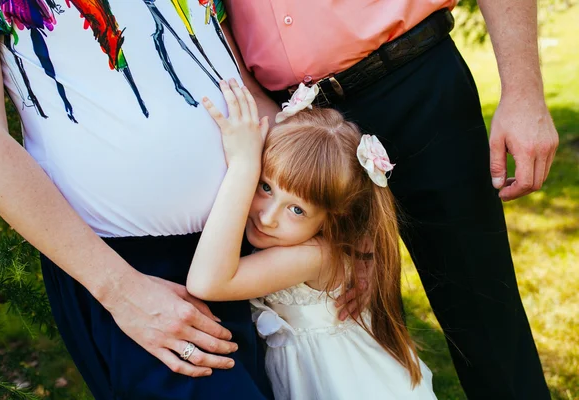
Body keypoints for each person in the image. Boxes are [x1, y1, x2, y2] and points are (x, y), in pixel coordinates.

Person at [225, 1, 558, 399]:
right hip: (296, 124)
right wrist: (268, 116)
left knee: (486, 316)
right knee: (349, 323)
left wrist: (524, 92)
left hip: (415, 81)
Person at [0, 1, 280, 398]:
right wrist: (120, 290)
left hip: (263, 235)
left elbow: (237, 80)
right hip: (129, 271)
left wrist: (323, 214)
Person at [185, 80, 437, 399]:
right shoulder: (316, 241)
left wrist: (243, 166)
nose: (267, 216)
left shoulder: (312, 256)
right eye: (265, 187)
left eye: (296, 209)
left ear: (332, 219)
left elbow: (207, 282)